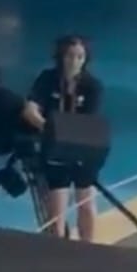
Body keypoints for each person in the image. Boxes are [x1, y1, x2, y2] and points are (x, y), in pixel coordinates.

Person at [29, 35, 103, 241]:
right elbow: (30, 109)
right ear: (61, 56)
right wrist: (50, 129)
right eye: (70, 56)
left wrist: (66, 133)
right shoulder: (47, 79)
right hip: (55, 150)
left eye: (80, 57)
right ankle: (59, 251)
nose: (74, 61)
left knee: (86, 204)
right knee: (56, 211)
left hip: (82, 150)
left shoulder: (92, 86)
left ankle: (88, 248)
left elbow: (88, 122)